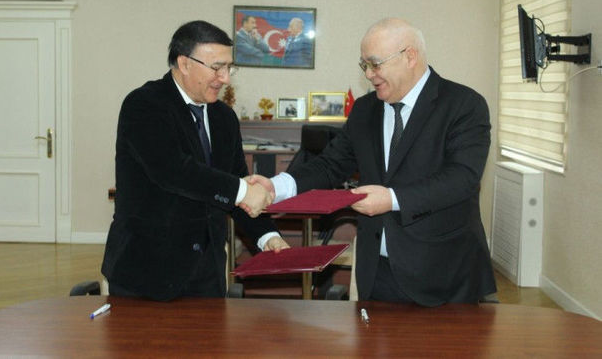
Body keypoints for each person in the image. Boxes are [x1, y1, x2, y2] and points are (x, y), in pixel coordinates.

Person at [251, 18, 496, 306]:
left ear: (410, 56)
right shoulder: (365, 109)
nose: (368, 74)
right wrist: (276, 186)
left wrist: (391, 199)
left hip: (444, 273)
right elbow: (330, 165)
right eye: (364, 65)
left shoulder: (464, 104)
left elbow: (462, 179)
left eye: (375, 64)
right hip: (377, 271)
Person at [102, 20, 289, 301]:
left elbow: (236, 183)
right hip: (147, 272)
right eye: (217, 68)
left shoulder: (224, 118)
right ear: (184, 63)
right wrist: (242, 190)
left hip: (207, 275)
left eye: (229, 68)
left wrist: (268, 236)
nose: (225, 78)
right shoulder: (144, 105)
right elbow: (174, 171)